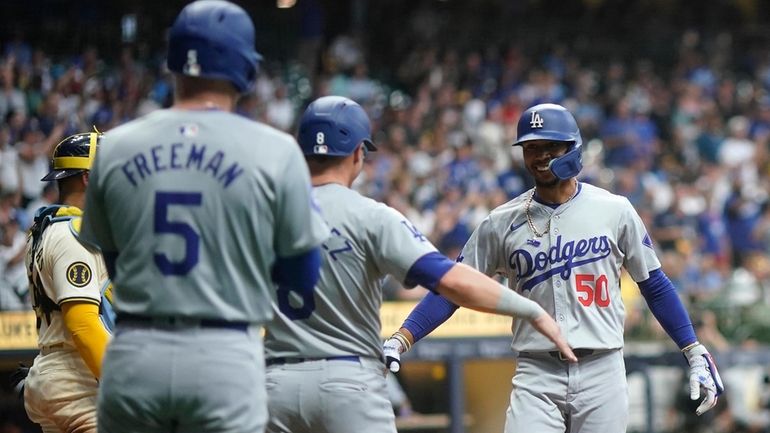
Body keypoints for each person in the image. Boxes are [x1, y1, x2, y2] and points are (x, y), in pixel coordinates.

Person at [383, 103, 724, 433]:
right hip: (537, 370)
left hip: (601, 368)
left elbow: (655, 284)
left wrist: (693, 349)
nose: (540, 155)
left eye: (551, 146)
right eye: (531, 148)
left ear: (573, 148)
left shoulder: (614, 210)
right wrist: (402, 338)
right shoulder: (501, 222)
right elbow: (454, 287)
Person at [78, 2, 327, 432]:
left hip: (136, 351)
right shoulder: (276, 150)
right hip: (225, 352)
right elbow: (303, 276)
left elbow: (116, 265)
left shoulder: (114, 147)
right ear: (246, 72)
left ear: (174, 63)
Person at [264, 96, 575, 433]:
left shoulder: (264, 214)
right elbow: (448, 280)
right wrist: (530, 309)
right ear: (358, 154)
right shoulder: (371, 216)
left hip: (274, 384)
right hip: (346, 382)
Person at [23, 131, 113, 433]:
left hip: (56, 372)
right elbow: (83, 324)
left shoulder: (47, 228)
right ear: (89, 178)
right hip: (76, 379)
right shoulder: (74, 234)